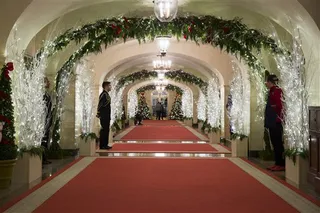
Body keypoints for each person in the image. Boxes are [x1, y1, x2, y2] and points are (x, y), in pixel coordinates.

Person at [265, 74, 285, 171]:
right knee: (274, 142)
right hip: (272, 121)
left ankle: (280, 164)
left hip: (275, 121)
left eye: (267, 82)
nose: (266, 84)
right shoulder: (272, 91)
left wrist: (274, 110)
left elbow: (279, 105)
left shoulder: (277, 91)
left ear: (270, 82)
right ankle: (277, 162)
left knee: (277, 143)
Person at [96, 81, 112, 150]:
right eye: (109, 86)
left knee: (106, 130)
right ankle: (102, 145)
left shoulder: (106, 94)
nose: (110, 87)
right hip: (104, 116)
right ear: (106, 86)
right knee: (104, 130)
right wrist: (99, 113)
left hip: (107, 115)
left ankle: (105, 144)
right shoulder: (103, 95)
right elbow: (100, 105)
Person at [41, 77, 52, 165]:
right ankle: (42, 158)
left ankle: (44, 157)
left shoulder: (47, 94)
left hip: (47, 120)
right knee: (43, 139)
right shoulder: (42, 95)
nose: (49, 83)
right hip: (43, 120)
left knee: (46, 139)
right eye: (47, 82)